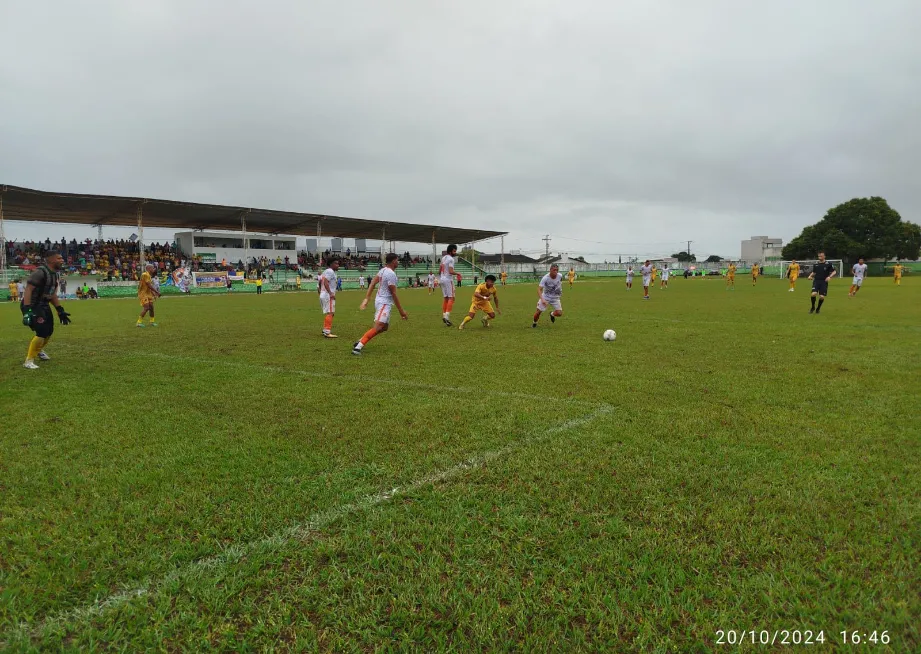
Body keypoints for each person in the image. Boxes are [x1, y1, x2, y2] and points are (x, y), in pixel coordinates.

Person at [21, 251, 71, 370]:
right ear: (52, 260)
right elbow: (28, 290)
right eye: (59, 258)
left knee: (49, 331)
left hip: (44, 304)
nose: (62, 260)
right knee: (42, 332)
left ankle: (38, 350)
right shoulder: (40, 272)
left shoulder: (55, 274)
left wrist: (60, 310)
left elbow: (52, 294)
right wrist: (27, 310)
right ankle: (29, 360)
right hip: (32, 305)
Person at [353, 253, 407, 355]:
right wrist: (401, 312)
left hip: (380, 301)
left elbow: (373, 283)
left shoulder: (382, 270)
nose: (398, 262)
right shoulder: (390, 273)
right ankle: (358, 347)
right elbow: (394, 293)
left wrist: (367, 298)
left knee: (384, 327)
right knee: (379, 326)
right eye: (397, 260)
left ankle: (360, 340)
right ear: (393, 261)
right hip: (384, 303)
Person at [439, 244, 459, 326]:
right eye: (454, 251)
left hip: (442, 279)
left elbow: (440, 270)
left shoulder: (443, 258)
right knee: (452, 298)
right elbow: (451, 271)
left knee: (446, 298)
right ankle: (447, 317)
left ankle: (444, 315)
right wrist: (458, 273)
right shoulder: (451, 259)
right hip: (448, 279)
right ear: (450, 251)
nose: (455, 252)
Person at [319, 257, 339, 338]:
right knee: (330, 312)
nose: (338, 265)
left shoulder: (327, 271)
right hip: (328, 295)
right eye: (336, 263)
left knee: (330, 313)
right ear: (331, 264)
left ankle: (325, 330)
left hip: (324, 294)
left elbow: (321, 281)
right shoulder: (330, 271)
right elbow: (325, 281)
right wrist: (330, 293)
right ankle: (327, 332)